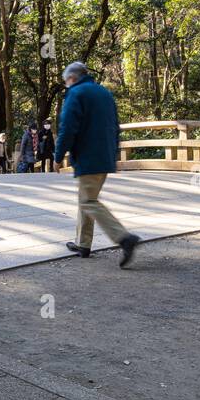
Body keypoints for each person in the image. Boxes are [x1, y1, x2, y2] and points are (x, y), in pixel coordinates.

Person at [55, 61, 140, 267]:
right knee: (86, 197)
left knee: (88, 201)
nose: (67, 85)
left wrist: (58, 156)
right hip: (105, 155)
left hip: (88, 155)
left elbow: (68, 128)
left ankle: (123, 237)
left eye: (66, 82)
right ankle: (83, 244)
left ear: (72, 78)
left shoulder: (76, 94)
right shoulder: (103, 92)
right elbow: (115, 126)